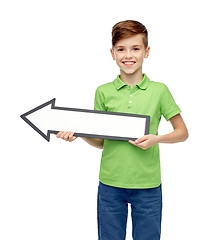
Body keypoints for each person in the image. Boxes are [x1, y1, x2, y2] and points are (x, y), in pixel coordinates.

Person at [56, 20, 188, 240]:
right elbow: (101, 141)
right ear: (112, 53)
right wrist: (79, 134)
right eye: (121, 49)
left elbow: (182, 132)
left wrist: (156, 139)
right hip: (110, 185)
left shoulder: (159, 91)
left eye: (135, 48)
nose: (128, 55)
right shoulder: (103, 92)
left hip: (147, 185)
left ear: (146, 52)